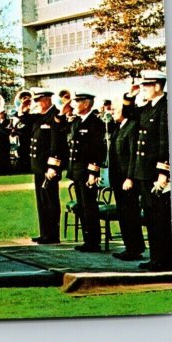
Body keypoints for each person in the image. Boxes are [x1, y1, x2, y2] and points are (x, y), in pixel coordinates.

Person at [122, 71, 171, 272]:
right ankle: (155, 258)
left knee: (160, 218)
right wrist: (129, 96)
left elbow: (165, 142)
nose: (143, 89)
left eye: (146, 86)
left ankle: (164, 259)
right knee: (150, 217)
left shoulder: (165, 106)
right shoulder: (148, 107)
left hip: (155, 173)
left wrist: (163, 173)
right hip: (143, 172)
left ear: (157, 86)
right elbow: (129, 114)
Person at [18, 88, 66, 245]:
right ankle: (44, 232)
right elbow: (24, 123)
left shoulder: (55, 116)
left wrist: (53, 166)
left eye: (38, 101)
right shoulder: (39, 117)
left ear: (46, 100)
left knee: (50, 200)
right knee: (41, 201)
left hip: (48, 167)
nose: (36, 104)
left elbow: (56, 144)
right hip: (38, 167)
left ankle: (52, 234)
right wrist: (22, 110)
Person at [66, 92, 108, 253]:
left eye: (77, 102)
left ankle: (93, 241)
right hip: (77, 171)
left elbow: (98, 150)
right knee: (82, 206)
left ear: (86, 104)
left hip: (87, 172)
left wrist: (93, 172)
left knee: (89, 206)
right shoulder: (77, 122)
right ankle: (87, 239)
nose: (74, 104)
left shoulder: (95, 123)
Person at [108, 105, 145, 260]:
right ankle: (129, 246)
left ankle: (135, 248)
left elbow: (132, 156)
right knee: (123, 214)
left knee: (130, 214)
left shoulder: (131, 127)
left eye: (115, 110)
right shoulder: (118, 128)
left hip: (126, 179)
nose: (112, 113)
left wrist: (130, 177)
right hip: (117, 179)